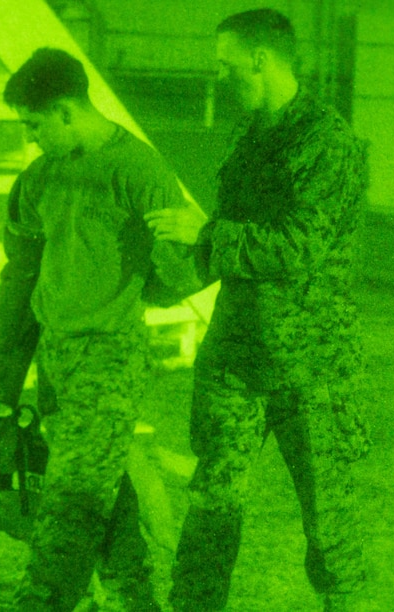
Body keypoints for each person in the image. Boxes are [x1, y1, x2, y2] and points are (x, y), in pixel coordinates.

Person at [144, 9, 372, 612]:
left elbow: (299, 247)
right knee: (212, 503)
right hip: (236, 358)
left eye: (227, 65)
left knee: (329, 518)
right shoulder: (249, 138)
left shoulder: (328, 141)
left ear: (262, 61)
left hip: (312, 368)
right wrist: (160, 278)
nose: (220, 77)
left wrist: (207, 234)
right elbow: (224, 250)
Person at [0, 47, 201, 612]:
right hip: (56, 360)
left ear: (67, 111)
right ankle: (135, 601)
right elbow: (20, 274)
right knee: (102, 495)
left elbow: (181, 273)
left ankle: (38, 602)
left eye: (34, 124)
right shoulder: (39, 177)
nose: (30, 137)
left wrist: (190, 248)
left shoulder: (139, 170)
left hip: (110, 357)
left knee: (69, 502)